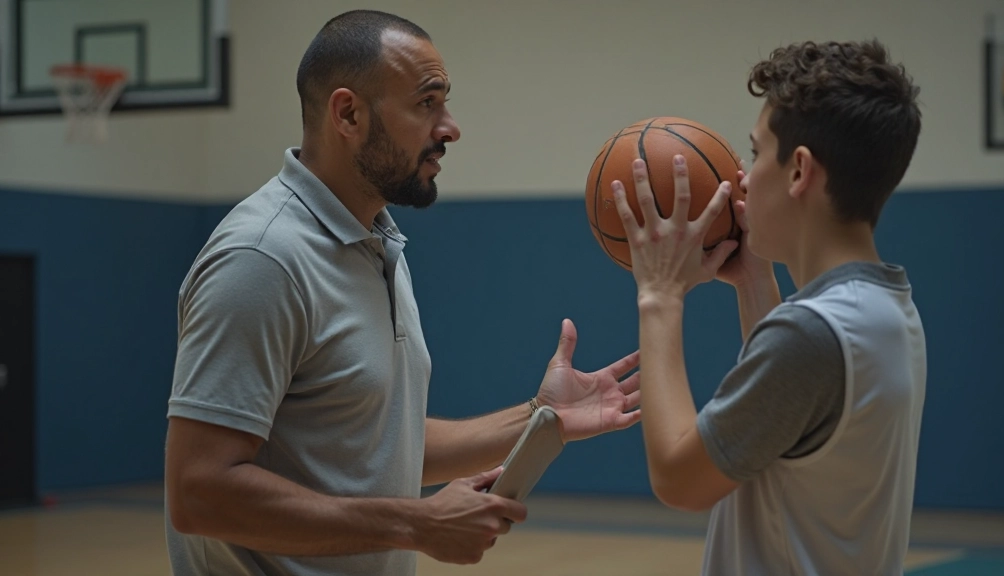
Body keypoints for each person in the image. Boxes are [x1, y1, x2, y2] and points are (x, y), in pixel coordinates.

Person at [163, 10, 642, 576]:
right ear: (348, 114)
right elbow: (199, 493)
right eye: (426, 103)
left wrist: (540, 417)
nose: (450, 127)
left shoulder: (377, 241)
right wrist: (417, 523)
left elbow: (374, 447)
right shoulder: (263, 259)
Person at [610, 39, 926, 575]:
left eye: (755, 154)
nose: (743, 177)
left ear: (799, 171)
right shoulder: (887, 306)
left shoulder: (812, 334)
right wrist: (755, 281)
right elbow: (792, 421)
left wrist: (659, 296)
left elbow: (679, 480)